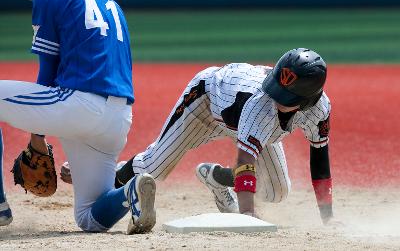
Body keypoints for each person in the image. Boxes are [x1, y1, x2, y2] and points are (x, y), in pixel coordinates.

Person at [62, 48, 334, 224]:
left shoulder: (319, 110)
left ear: (309, 99)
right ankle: (100, 177)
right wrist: (247, 218)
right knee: (153, 167)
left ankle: (216, 179)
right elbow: (245, 160)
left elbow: (320, 160)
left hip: (246, 124)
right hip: (205, 101)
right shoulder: (261, 102)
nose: (275, 96)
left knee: (277, 192)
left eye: (284, 96)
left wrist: (328, 217)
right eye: (274, 87)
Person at [0, 0, 156, 234]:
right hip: (119, 118)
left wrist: (37, 137)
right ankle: (131, 190)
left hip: (79, 105)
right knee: (88, 218)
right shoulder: (110, 2)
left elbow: (47, 70)